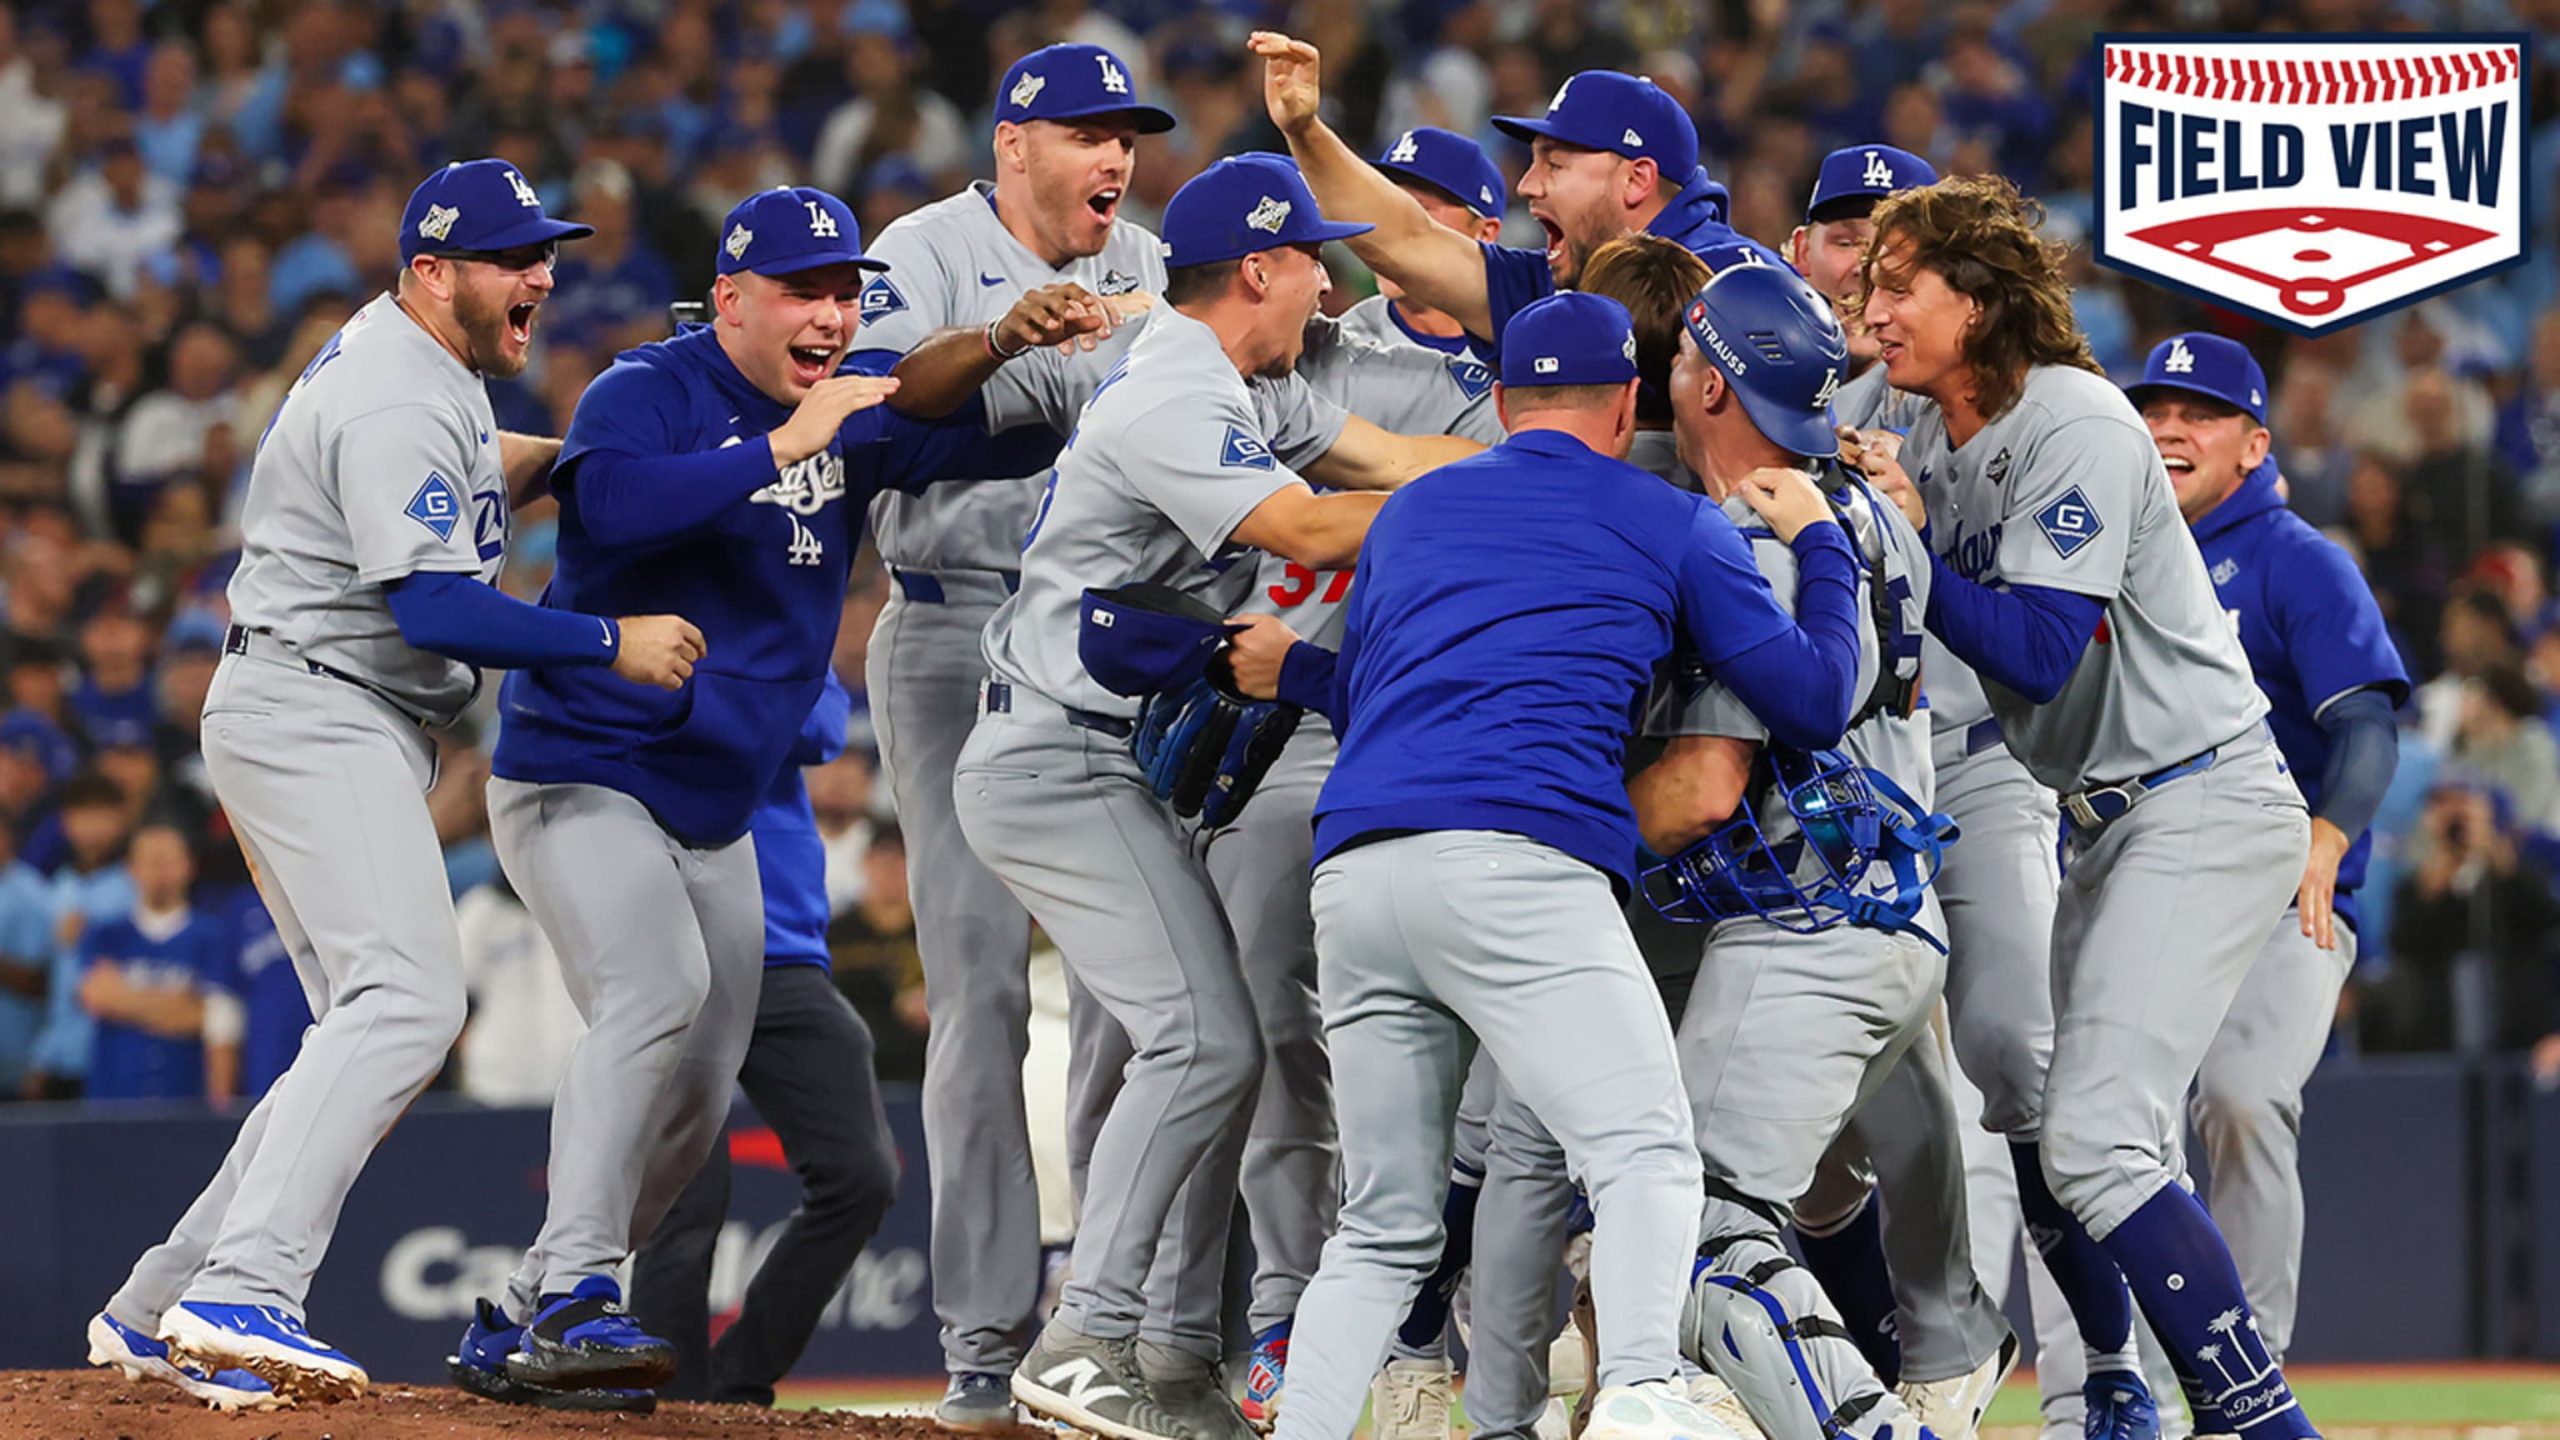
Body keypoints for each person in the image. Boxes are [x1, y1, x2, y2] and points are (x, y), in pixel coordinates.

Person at [450, 185, 1088, 1415]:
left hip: (713, 811)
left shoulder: (848, 405)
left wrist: (1022, 350)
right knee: (651, 994)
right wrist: (783, 449)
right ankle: (584, 1288)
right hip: (582, 771)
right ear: (731, 299)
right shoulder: (656, 387)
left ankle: (528, 1307)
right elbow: (607, 501)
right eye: (805, 289)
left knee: (689, 1105)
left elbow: (982, 435)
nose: (833, 313)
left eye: (847, 291)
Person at [82, 158, 685, 1410]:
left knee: (359, 1029)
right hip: (318, 708)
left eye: (543, 253)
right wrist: (604, 643)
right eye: (511, 257)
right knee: (410, 1000)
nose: (540, 274)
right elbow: (433, 602)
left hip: (313, 708)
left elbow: (470, 458)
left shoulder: (423, 372)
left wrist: (567, 461)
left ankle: (156, 1305)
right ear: (429, 272)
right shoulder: (396, 395)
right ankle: (245, 1287)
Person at [1222, 290, 1867, 1440]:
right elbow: (1814, 699)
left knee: (1381, 1229)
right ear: (1627, 402)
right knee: (1644, 1155)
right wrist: (1820, 540)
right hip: (1518, 862)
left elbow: (1365, 688)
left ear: (1506, 403)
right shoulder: (1668, 517)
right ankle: (1639, 1396)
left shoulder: (1415, 510)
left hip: (1358, 868)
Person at [946, 155, 1463, 1440]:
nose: (1333, 287)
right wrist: (1530, 498)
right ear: (1259, 270)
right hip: (1052, 757)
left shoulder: (1231, 376)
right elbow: (1307, 532)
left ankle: (1167, 1359)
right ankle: (1084, 1340)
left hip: (1101, 755)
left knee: (1209, 1045)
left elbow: (1397, 452)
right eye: (1314, 262)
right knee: (1204, 1041)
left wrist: (1611, 456)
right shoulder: (1175, 389)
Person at [1859, 177, 2318, 1440]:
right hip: (2110, 815)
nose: (1876, 308)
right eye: (1871, 283)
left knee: (2103, 1144)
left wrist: (1907, 543)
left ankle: (2260, 1423)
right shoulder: (1946, 436)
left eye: (1903, 284)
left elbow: (2041, 648)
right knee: (2075, 1133)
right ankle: (2127, 1383)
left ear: (1982, 299)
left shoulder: (2077, 421)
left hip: (2203, 795)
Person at [835, 46, 1175, 1427]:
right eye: (1089, 132)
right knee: (973, 990)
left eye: (1129, 135)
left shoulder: (1150, 262)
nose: (1116, 157)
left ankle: (1113, 1320)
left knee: (1129, 993)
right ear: (1016, 140)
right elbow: (873, 418)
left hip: (1113, 634)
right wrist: (1008, 348)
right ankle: (981, 1343)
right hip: (949, 625)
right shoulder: (920, 247)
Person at [1625, 259, 1966, 1440]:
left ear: (1715, 387)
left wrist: (1553, 844)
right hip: (1890, 914)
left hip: (1807, 925)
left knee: (1687, 1230)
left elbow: (1710, 788)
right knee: (1723, 1223)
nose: (1664, 370)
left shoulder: (1754, 536)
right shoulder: (1873, 508)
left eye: (1681, 356)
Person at [1214, 136, 1508, 1429]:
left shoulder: (1520, 379)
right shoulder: (1305, 342)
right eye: (1381, 213)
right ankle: (1287, 1312)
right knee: (1273, 1032)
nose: (1399, 233)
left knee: (1483, 1058)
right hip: (1277, 721)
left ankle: (1456, 1326)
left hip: (1425, 731)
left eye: (1432, 214)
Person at [2130, 332, 2407, 1368]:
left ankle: (2248, 1373)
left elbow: (2367, 725)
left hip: (2283, 899)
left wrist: (2328, 837)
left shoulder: (2297, 561)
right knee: (2113, 1133)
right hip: (2144, 893)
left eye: (2196, 414)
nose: (2168, 429)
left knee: (2243, 1101)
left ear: (2253, 445)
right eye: (2155, 410)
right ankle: (2141, 1381)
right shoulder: (2125, 553)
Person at [630, 671, 902, 1407]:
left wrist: (723, 695)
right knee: (683, 1208)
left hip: (789, 961)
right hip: (681, 959)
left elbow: (819, 729)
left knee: (863, 1174)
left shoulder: (789, 633)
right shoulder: (657, 633)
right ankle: (677, 1406)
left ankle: (736, 1378)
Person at [1251, 32, 1777, 357]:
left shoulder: (1739, 285)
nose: (1526, 185)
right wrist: (1306, 130)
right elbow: (1406, 240)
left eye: (1555, 163)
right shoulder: (1559, 282)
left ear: (1637, 179)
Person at [75, 822, 236, 1104]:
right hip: (113, 1099)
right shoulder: (106, 934)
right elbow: (96, 996)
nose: (161, 871)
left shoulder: (213, 935)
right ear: (131, 869)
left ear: (189, 866)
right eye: (151, 861)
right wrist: (180, 1007)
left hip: (187, 1097)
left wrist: (125, 1000)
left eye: (169, 860)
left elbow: (215, 1018)